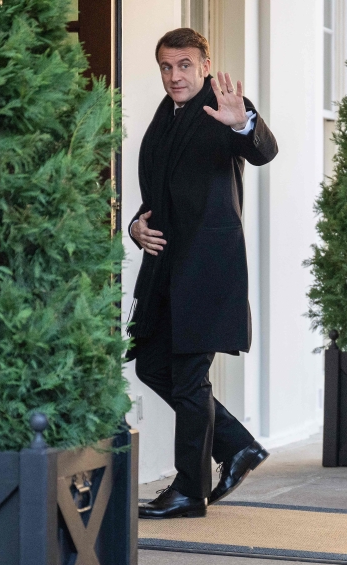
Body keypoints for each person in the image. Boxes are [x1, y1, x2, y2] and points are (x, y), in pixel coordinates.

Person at [129, 28, 278, 519]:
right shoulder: (164, 114)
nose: (175, 76)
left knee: (190, 379)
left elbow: (262, 150)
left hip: (206, 270)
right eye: (167, 67)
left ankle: (190, 489)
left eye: (185, 65)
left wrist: (243, 125)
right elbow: (159, 193)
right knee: (152, 364)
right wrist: (135, 226)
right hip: (166, 269)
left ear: (205, 64)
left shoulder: (223, 105)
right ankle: (237, 446)